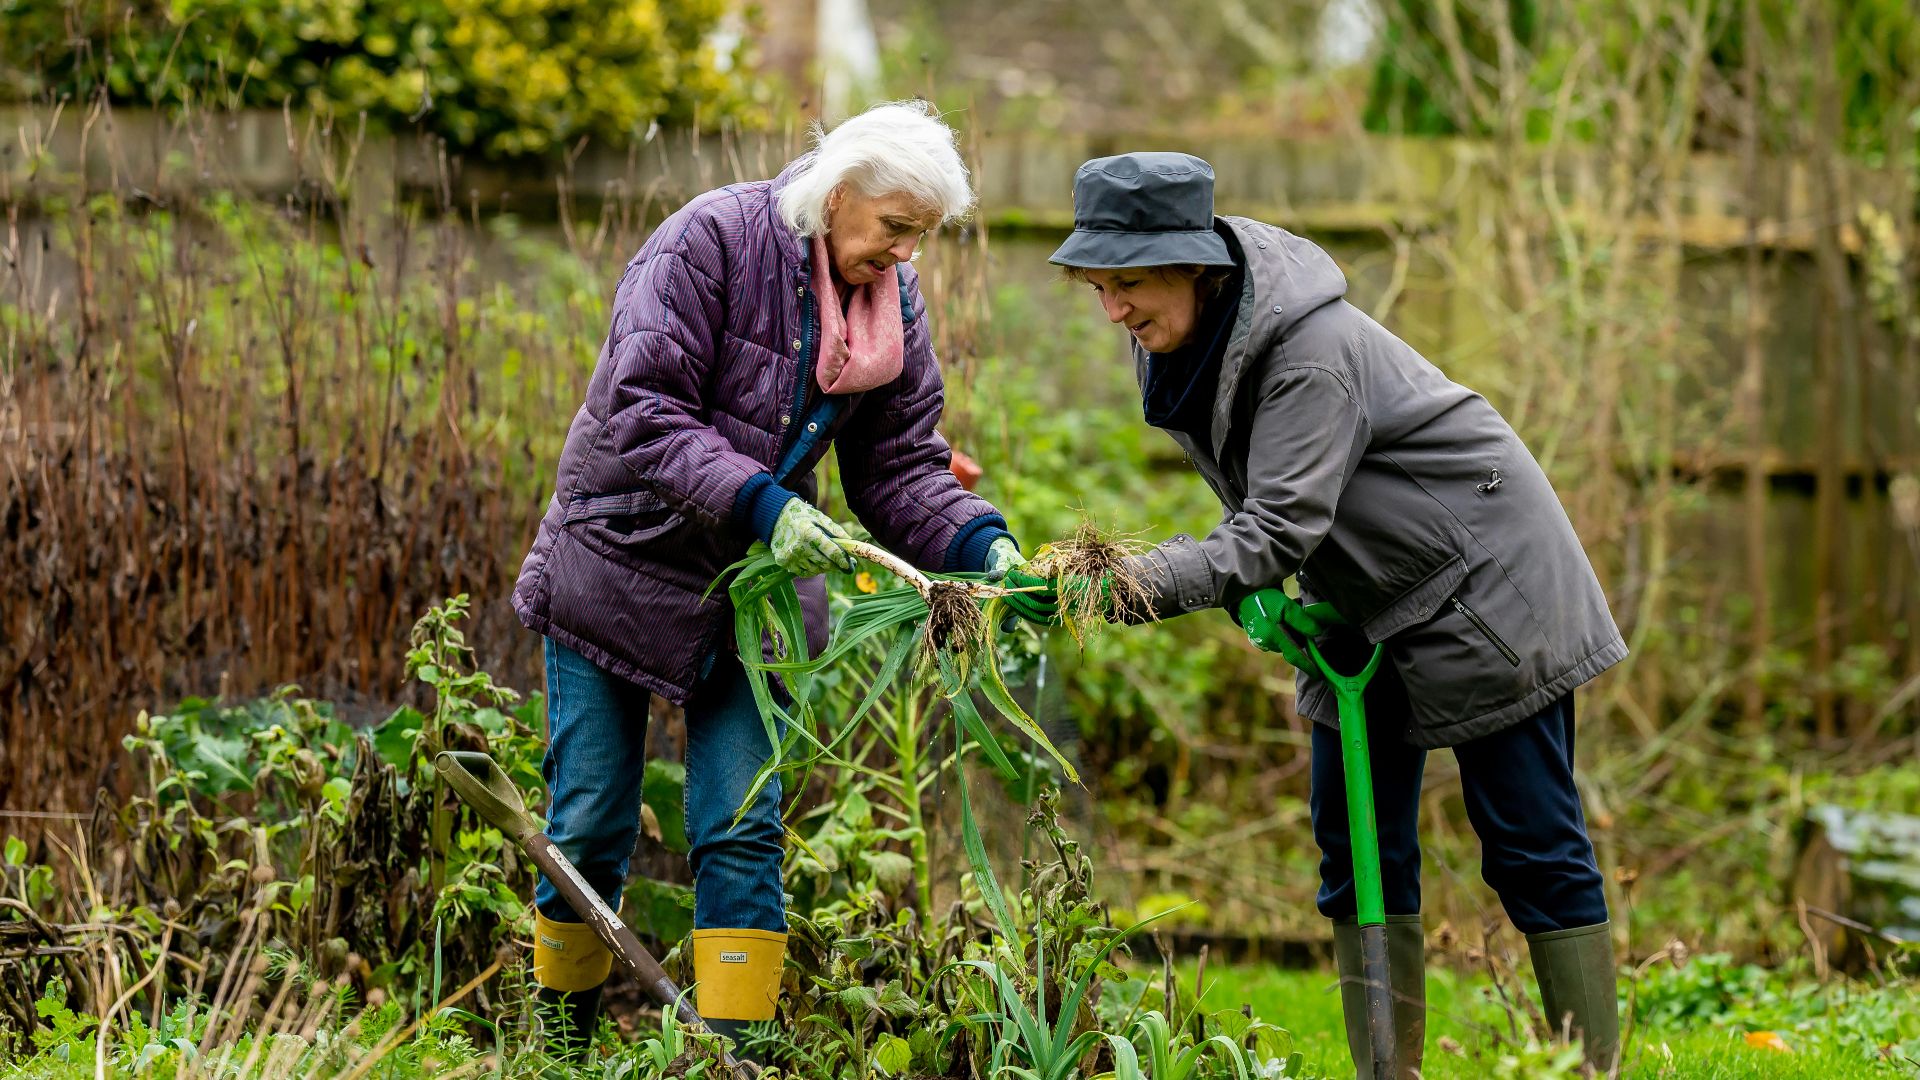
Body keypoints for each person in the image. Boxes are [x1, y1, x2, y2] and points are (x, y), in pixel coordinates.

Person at [1005, 152, 1625, 1076]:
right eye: (1099, 287)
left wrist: (1131, 582)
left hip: (1487, 583)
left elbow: (1275, 527)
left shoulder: (1309, 353)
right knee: (1356, 847)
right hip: (1362, 597)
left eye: (1127, 284)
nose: (1113, 310)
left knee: (1531, 842)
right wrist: (1254, 591)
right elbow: (1267, 503)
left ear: (1194, 266)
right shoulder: (1180, 343)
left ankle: (1593, 1069)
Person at [510, 100, 1025, 1061]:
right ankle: (560, 1049)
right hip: (620, 557)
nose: (906, 254)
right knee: (589, 819)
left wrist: (981, 543)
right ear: (839, 194)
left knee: (742, 823)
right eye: (895, 227)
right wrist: (764, 503)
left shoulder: (888, 300)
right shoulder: (709, 241)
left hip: (752, 588)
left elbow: (898, 466)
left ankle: (733, 1057)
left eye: (920, 235)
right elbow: (641, 406)